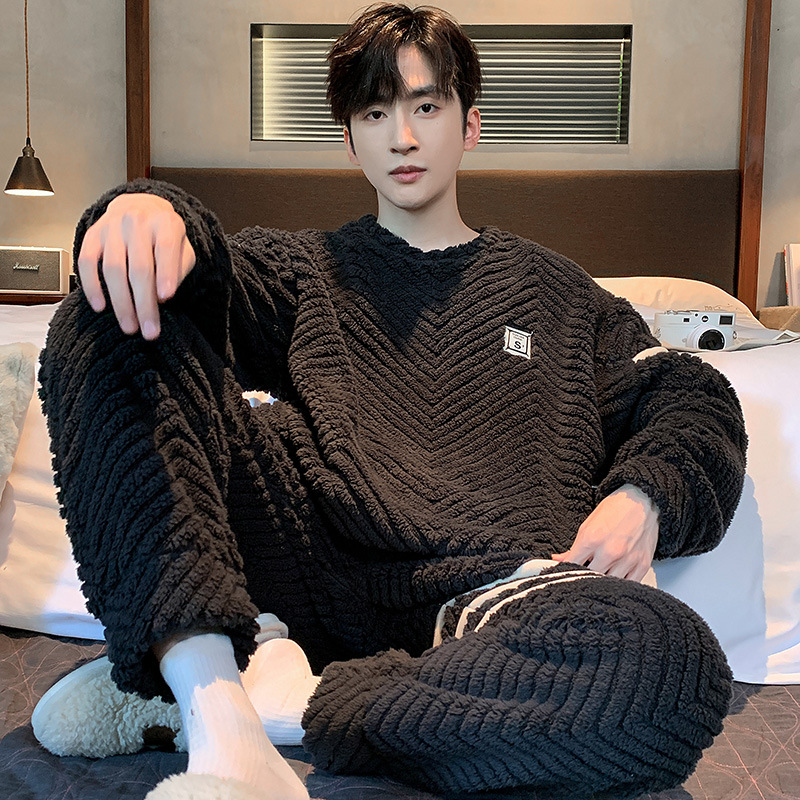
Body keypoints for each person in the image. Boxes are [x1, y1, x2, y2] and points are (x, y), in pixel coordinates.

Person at [32, 4, 747, 800]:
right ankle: (214, 696)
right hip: (308, 562)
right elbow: (203, 279)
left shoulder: (562, 294)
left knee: (672, 668)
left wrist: (644, 496)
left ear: (470, 125)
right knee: (112, 308)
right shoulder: (302, 269)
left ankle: (271, 701)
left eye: (426, 107)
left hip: (492, 599)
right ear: (350, 140)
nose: (401, 137)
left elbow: (691, 394)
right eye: (375, 114)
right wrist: (144, 211)